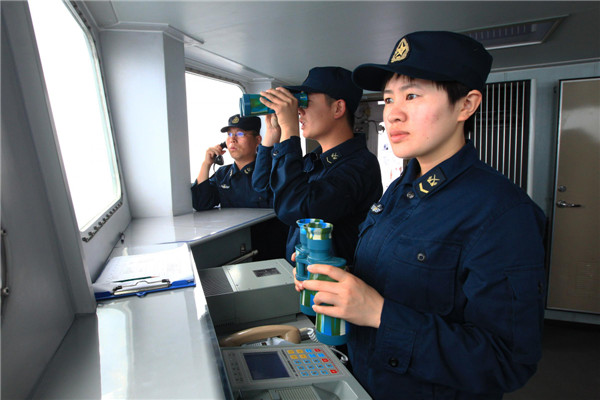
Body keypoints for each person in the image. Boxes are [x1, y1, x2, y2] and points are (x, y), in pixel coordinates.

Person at [298, 32, 547, 399]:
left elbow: (507, 360)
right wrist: (339, 282)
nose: (392, 113)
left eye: (412, 96)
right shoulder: (401, 187)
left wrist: (380, 313)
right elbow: (399, 280)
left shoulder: (502, 214)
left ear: (466, 105)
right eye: (387, 99)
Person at [252, 66, 383, 265]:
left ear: (338, 108)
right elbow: (263, 190)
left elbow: (293, 208)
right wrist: (272, 136)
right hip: (306, 278)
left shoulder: (360, 166)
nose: (299, 111)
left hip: (333, 286)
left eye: (305, 101)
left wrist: (290, 131)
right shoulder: (314, 160)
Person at [191, 114, 273, 210]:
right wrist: (206, 164)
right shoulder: (222, 174)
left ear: (258, 139)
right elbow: (201, 203)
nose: (232, 139)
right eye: (229, 134)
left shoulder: (270, 170)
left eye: (240, 134)